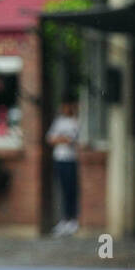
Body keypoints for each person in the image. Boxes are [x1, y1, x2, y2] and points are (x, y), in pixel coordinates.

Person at [46, 98, 80, 236]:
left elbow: (71, 139)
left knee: (71, 189)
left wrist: (60, 138)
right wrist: (61, 139)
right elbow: (50, 138)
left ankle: (72, 219)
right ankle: (64, 219)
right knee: (61, 188)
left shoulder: (76, 121)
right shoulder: (59, 121)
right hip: (59, 158)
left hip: (71, 159)